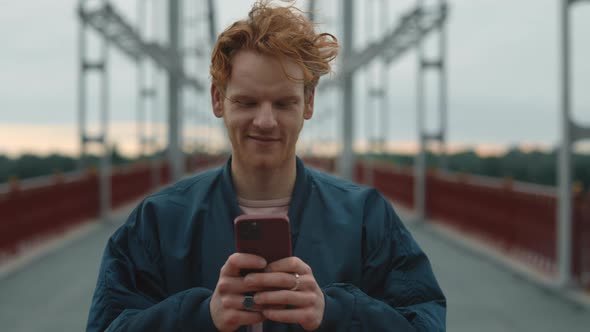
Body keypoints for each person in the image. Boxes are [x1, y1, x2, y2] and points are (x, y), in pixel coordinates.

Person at [86, 1, 446, 331]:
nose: (265, 121)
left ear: (308, 103)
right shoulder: (157, 221)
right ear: (217, 99)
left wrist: (333, 312)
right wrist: (202, 316)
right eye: (246, 101)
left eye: (283, 103)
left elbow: (425, 323)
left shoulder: (368, 216)